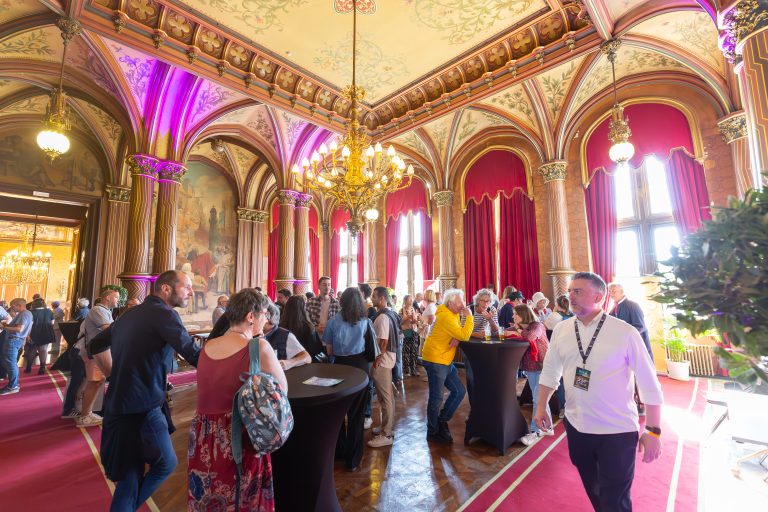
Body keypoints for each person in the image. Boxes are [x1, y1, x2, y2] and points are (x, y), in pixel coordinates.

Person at [534, 272, 663, 512]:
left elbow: (649, 383)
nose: (570, 296)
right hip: (577, 427)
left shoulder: (624, 332)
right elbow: (551, 371)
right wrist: (542, 406)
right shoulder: (562, 330)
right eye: (570, 291)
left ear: (599, 297)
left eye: (578, 291)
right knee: (594, 490)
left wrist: (654, 431)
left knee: (615, 499)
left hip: (616, 431)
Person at [101, 270, 201, 512]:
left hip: (118, 403)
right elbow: (192, 353)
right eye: (186, 286)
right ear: (166, 289)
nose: (191, 291)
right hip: (142, 406)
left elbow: (94, 344)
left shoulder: (129, 315)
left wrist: (112, 371)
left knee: (130, 476)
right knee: (166, 463)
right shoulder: (163, 313)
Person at [188, 288, 286, 511]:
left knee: (209, 496)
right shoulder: (258, 346)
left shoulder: (207, 347)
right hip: (240, 437)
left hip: (205, 437)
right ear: (251, 316)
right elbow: (282, 392)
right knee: (243, 499)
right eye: (264, 314)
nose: (266, 319)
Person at [322, 287, 374, 471]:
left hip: (340, 367)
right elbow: (370, 350)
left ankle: (339, 451)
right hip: (359, 368)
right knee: (356, 415)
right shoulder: (365, 322)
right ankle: (353, 459)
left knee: (337, 413)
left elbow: (329, 351)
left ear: (342, 301)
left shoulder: (333, 322)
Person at [421, 289, 474, 444]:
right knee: (436, 398)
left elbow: (458, 335)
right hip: (436, 359)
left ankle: (441, 420)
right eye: (459, 302)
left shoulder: (451, 314)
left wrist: (456, 338)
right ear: (450, 303)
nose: (463, 305)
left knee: (459, 391)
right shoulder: (446, 316)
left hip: (444, 359)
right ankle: (432, 431)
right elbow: (464, 335)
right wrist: (469, 318)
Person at [507, 304, 552, 445]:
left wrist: (518, 330)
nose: (513, 316)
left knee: (537, 398)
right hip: (532, 367)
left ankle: (536, 430)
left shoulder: (537, 325)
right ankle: (547, 426)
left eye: (516, 314)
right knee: (539, 397)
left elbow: (531, 336)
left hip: (542, 365)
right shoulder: (521, 327)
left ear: (523, 315)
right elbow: (502, 331)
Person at [74, 288, 120, 427]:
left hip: (99, 350)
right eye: (116, 297)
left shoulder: (105, 310)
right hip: (95, 351)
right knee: (94, 381)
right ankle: (85, 415)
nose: (118, 300)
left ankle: (87, 413)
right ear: (107, 298)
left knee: (98, 381)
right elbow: (108, 328)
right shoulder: (98, 310)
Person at [608, 282, 653, 416]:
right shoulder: (613, 308)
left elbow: (640, 327)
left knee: (641, 378)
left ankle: (642, 404)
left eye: (614, 291)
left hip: (637, 348)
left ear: (622, 292)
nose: (611, 294)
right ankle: (630, 401)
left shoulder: (633, 305)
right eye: (610, 291)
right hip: (622, 350)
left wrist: (624, 338)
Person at [368, 287, 400, 448]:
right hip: (389, 359)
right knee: (385, 396)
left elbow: (383, 342)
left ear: (381, 299)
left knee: (386, 397)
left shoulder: (382, 317)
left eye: (374, 296)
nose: (371, 298)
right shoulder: (391, 313)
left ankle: (386, 434)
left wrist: (377, 360)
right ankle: (386, 427)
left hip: (383, 361)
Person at [263, 301, 311, 370]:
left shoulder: (284, 335)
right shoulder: (253, 334)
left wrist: (287, 363)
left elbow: (307, 357)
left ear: (268, 317)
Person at [0, 299, 33, 395]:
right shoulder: (28, 313)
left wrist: (3, 327)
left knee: (11, 364)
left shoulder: (24, 314)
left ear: (17, 305)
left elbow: (19, 329)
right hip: (16, 340)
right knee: (12, 363)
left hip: (14, 340)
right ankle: (14, 384)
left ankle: (12, 386)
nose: (12, 309)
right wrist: (6, 325)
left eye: (12, 306)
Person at [280, 294, 324, 359]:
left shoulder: (280, 326)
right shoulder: (308, 327)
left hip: (286, 362)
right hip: (305, 362)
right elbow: (315, 350)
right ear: (303, 308)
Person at [24, 298, 55, 375]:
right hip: (46, 332)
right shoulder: (49, 311)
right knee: (43, 349)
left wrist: (27, 335)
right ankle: (42, 368)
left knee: (32, 350)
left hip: (34, 332)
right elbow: (52, 323)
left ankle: (28, 367)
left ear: (33, 304)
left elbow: (29, 325)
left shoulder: (31, 312)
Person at [399, 295, 420, 377]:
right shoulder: (401, 310)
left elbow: (415, 321)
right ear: (405, 301)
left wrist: (415, 321)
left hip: (413, 331)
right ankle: (406, 370)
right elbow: (399, 322)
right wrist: (407, 318)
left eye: (412, 299)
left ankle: (414, 370)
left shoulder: (413, 309)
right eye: (409, 299)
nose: (411, 301)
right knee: (406, 352)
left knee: (414, 351)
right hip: (406, 331)